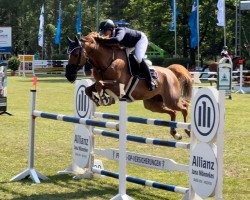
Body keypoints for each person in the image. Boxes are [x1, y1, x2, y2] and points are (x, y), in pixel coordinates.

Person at [95, 19, 157, 91]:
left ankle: (150, 80)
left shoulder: (121, 30)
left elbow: (117, 39)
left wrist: (101, 40)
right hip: (129, 44)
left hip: (140, 39)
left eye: (105, 31)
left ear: (111, 29)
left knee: (139, 58)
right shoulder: (111, 34)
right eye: (102, 32)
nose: (104, 34)